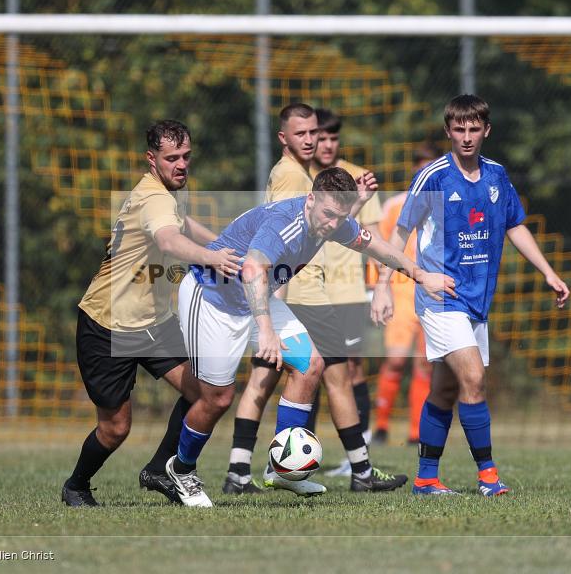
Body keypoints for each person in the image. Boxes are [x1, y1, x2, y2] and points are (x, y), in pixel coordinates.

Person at [170, 167, 454, 507]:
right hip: (212, 297)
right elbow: (252, 270)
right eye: (328, 215)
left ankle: (281, 469)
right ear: (310, 200)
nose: (333, 224)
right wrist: (266, 330)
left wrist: (421, 275)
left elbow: (376, 246)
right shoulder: (284, 223)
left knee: (310, 365)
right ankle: (181, 470)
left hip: (250, 299)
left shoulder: (335, 220)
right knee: (218, 399)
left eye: (340, 217)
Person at [372, 95, 570, 496]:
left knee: (446, 389)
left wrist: (547, 271)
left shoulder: (497, 176)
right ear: (448, 131)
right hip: (440, 297)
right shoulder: (434, 177)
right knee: (474, 378)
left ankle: (426, 479)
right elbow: (399, 233)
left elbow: (515, 226)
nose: (466, 137)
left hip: (478, 299)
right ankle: (489, 478)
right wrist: (382, 286)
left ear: (486, 131)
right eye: (458, 129)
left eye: (473, 129)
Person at [222, 104, 406, 496]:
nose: (313, 140)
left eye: (316, 134)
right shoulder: (292, 178)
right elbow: (286, 242)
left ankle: (240, 471)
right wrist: (272, 311)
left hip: (295, 295)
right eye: (306, 134)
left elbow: (327, 225)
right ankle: (355, 471)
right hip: (303, 296)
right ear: (285, 137)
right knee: (335, 377)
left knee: (267, 379)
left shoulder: (298, 174)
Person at [61, 120, 241, 507]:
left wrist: (228, 246)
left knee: (208, 393)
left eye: (186, 156)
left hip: (156, 323)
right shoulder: (154, 198)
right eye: (171, 158)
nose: (181, 165)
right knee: (115, 429)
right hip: (108, 324)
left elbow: (183, 223)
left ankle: (161, 469)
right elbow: (168, 238)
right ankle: (76, 484)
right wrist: (214, 258)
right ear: (151, 159)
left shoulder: (172, 191)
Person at [309, 108, 383, 477]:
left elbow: (375, 238)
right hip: (309, 289)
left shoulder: (358, 176)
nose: (326, 144)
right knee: (308, 368)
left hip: (350, 291)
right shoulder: (300, 177)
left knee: (353, 370)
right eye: (320, 137)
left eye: (332, 138)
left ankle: (359, 454)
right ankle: (298, 457)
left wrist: (381, 286)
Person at [373, 141, 440, 446]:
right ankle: (382, 426)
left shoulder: (445, 203)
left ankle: (416, 432)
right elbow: (380, 248)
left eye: (428, 162)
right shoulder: (395, 205)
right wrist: (379, 287)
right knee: (396, 360)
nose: (422, 167)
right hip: (400, 291)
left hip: (431, 292)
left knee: (425, 363)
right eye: (418, 162)